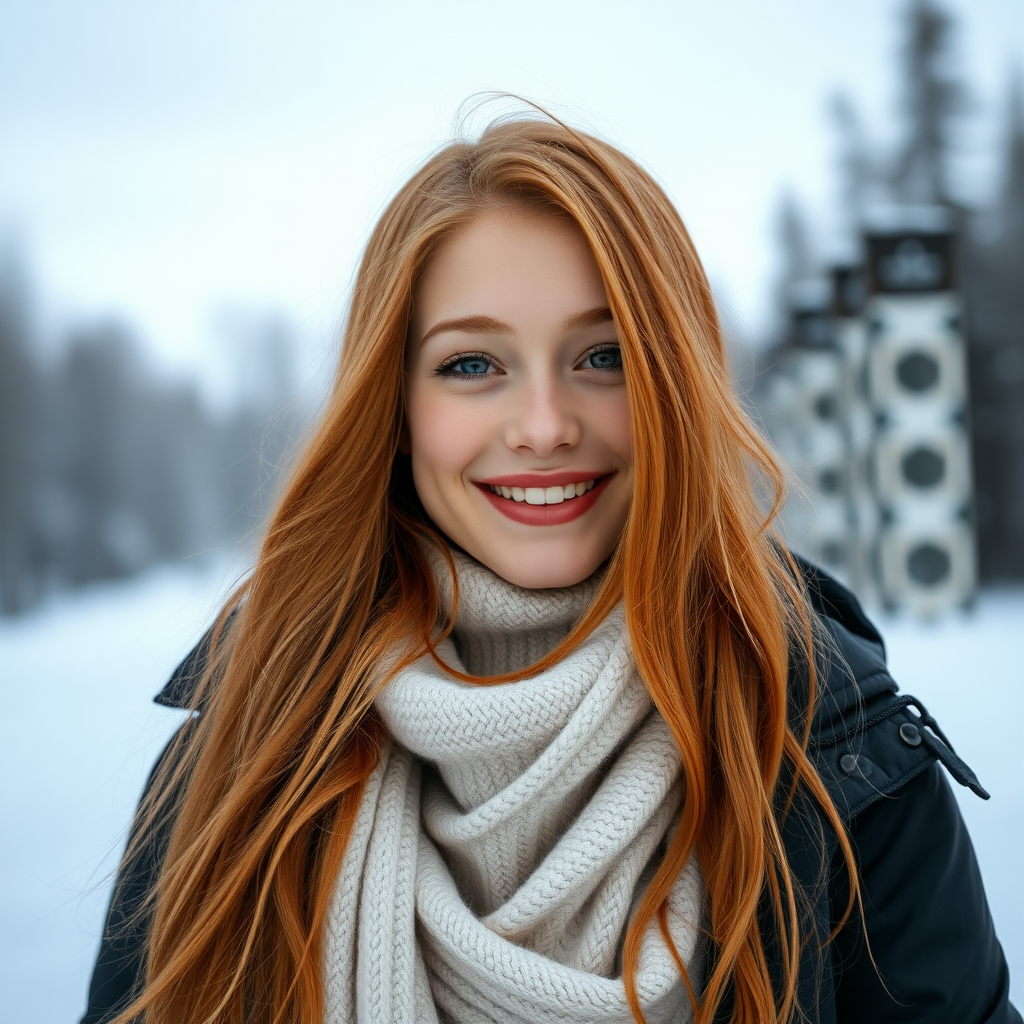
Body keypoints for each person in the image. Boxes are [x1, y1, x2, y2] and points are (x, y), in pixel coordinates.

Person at [80, 114, 1019, 1024]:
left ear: (675, 387)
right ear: (395, 408)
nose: (542, 425)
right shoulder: (246, 761)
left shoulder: (827, 745)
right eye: (472, 365)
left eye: (603, 356)